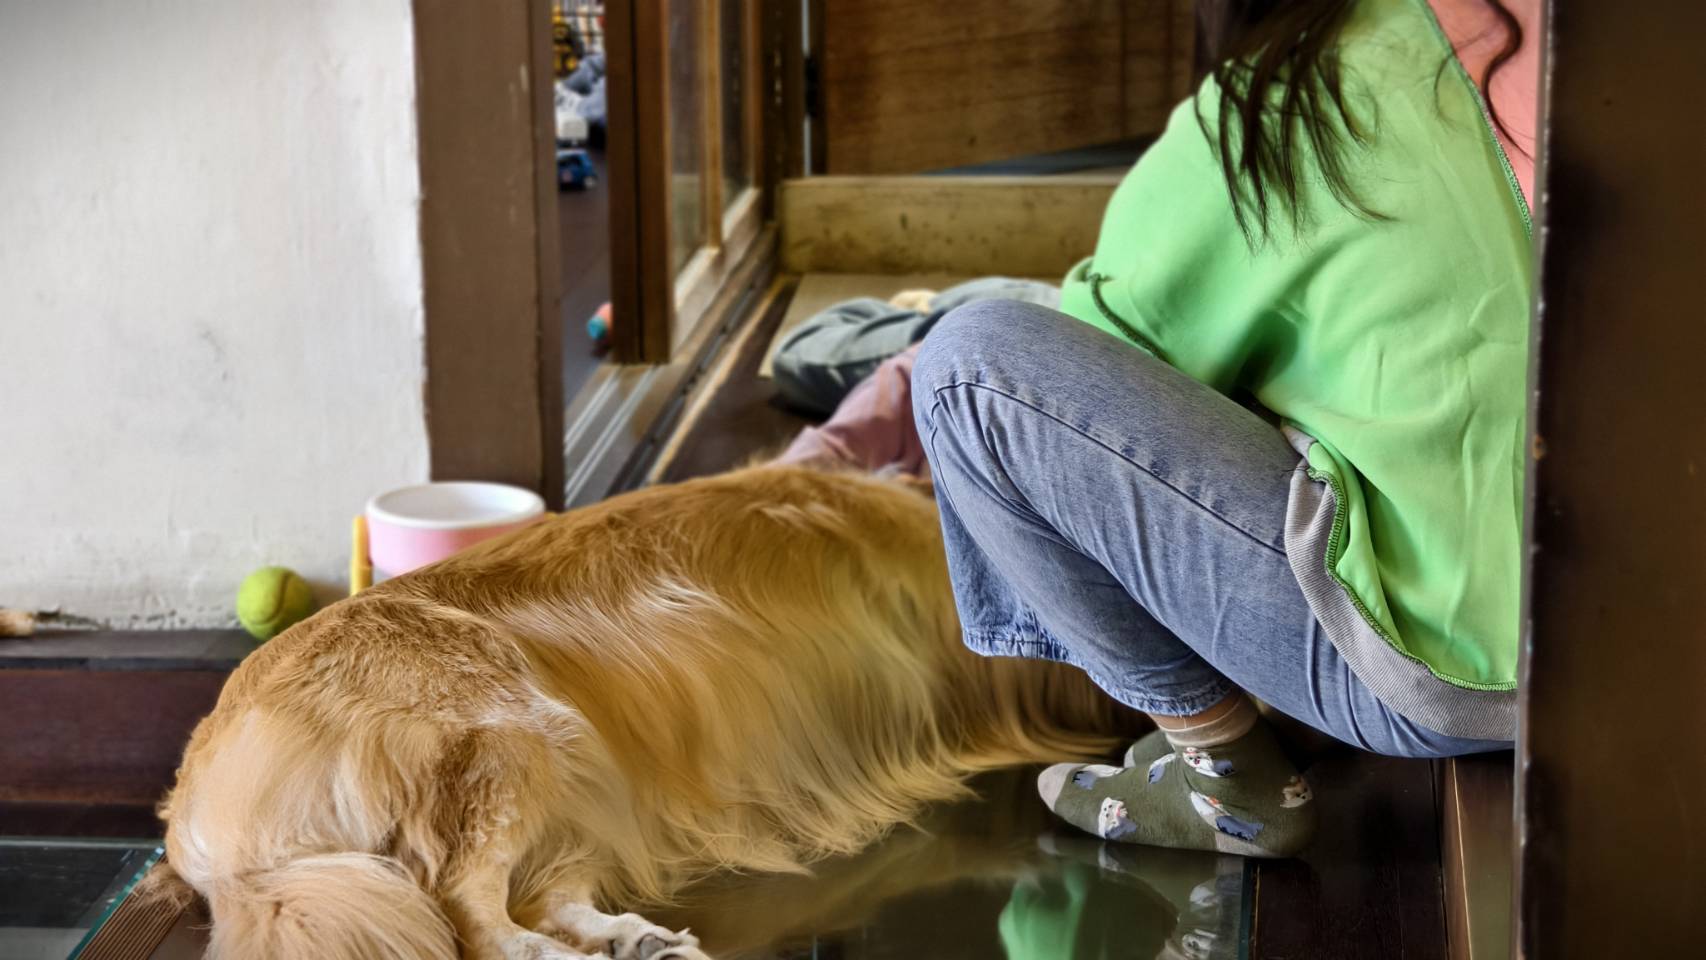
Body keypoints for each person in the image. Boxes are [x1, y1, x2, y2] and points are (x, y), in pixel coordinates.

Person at [797, 0, 1537, 857]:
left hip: (1466, 685)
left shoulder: (1285, 103)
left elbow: (1092, 381)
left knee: (968, 368)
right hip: (1658, 643)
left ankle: (1223, 773)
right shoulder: (1598, 44)